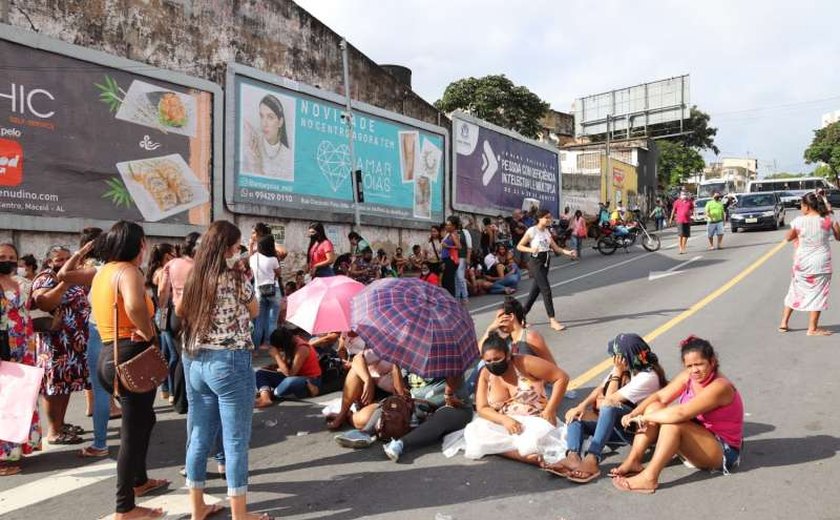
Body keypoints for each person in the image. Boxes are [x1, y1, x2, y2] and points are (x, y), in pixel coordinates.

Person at [177, 220, 263, 520]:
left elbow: (179, 311)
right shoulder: (235, 279)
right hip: (229, 361)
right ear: (228, 249)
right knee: (235, 440)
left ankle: (197, 507)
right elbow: (255, 311)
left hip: (195, 359)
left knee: (199, 435)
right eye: (237, 246)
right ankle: (241, 514)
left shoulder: (194, 277)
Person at [90, 221, 169, 519]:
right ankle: (125, 508)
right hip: (130, 355)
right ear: (139, 245)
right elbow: (136, 306)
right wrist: (148, 331)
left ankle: (140, 481)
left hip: (109, 354)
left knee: (144, 420)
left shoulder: (103, 273)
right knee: (132, 432)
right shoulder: (128, 271)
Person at [612, 336, 744, 494]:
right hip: (697, 436)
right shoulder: (689, 376)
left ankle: (649, 478)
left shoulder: (720, 387)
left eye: (699, 364)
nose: (694, 370)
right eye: (690, 366)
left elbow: (681, 413)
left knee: (673, 424)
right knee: (654, 407)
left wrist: (643, 418)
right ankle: (633, 461)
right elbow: (661, 397)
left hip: (722, 451)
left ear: (712, 361)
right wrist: (635, 412)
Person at [545, 333, 666, 484]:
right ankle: (573, 457)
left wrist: (617, 372)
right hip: (622, 423)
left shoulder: (647, 377)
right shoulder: (627, 367)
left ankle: (592, 458)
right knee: (575, 417)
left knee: (608, 407)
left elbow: (608, 401)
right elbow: (601, 388)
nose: (614, 360)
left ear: (624, 358)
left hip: (639, 430)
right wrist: (580, 406)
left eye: (616, 356)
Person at [55, 230, 122, 459]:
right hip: (123, 334)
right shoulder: (128, 270)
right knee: (127, 389)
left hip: (98, 331)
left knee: (102, 391)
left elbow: (64, 274)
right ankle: (133, 440)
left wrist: (82, 251)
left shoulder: (98, 271)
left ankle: (100, 443)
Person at [462, 333, 568, 465]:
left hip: (536, 420)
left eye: (497, 359)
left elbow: (561, 377)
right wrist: (505, 420)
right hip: (505, 423)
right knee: (475, 430)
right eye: (488, 361)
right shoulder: (485, 373)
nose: (493, 364)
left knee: (534, 439)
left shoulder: (525, 363)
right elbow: (482, 408)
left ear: (507, 355)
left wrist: (550, 410)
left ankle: (526, 453)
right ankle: (522, 456)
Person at [32, 245, 90, 445]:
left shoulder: (72, 275)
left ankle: (61, 424)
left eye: (67, 258)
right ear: (49, 262)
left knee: (64, 386)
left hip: (71, 344)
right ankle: (54, 431)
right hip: (56, 343)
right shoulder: (46, 277)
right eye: (59, 259)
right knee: (55, 388)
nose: (64, 262)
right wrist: (65, 281)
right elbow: (44, 303)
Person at [0, 243, 41, 476]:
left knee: (19, 399)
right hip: (5, 348)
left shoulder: (18, 283)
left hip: (23, 348)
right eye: (2, 256)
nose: (7, 260)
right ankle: (2, 456)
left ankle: (14, 449)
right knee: (3, 402)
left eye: (11, 257)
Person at [778, 192, 840, 336]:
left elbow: (788, 238)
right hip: (821, 264)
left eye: (801, 206)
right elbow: (838, 236)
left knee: (794, 290)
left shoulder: (799, 221)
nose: (801, 208)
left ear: (806, 206)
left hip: (802, 263)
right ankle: (812, 328)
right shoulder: (828, 219)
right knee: (818, 294)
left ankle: (784, 323)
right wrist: (833, 217)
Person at [157, 231, 200, 413]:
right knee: (188, 360)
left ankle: (178, 398)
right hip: (192, 316)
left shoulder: (171, 264)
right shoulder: (198, 267)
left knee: (180, 358)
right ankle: (183, 402)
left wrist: (163, 310)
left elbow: (162, 292)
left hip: (174, 315)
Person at [383, 376, 473, 462]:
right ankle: (370, 433)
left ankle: (400, 444)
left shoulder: (449, 361)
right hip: (418, 404)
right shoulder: (409, 362)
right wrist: (396, 366)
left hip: (452, 407)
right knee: (387, 407)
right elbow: (401, 392)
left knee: (441, 418)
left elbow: (454, 376)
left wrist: (448, 394)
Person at [516, 209, 577, 332]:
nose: (549, 219)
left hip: (545, 262)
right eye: (547, 217)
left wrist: (568, 252)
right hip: (536, 262)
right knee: (546, 290)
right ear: (540, 218)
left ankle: (520, 318)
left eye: (550, 217)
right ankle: (553, 320)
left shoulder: (547, 232)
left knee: (534, 292)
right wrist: (531, 250)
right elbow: (519, 246)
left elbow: (556, 248)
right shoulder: (532, 231)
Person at [326, 347, 401, 430]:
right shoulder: (386, 348)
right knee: (355, 372)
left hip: (389, 399)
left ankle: (349, 416)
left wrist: (396, 369)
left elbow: (401, 396)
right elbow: (357, 358)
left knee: (364, 421)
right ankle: (342, 414)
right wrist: (368, 380)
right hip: (369, 390)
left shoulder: (411, 359)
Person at [254, 327, 321, 407]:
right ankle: (266, 397)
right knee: (260, 373)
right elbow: (285, 366)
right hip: (293, 376)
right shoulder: (290, 344)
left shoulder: (302, 348)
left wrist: (276, 356)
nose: (280, 350)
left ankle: (272, 393)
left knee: (289, 382)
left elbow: (290, 374)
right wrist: (272, 368)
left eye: (280, 348)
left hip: (308, 380)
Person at [145, 243, 176, 401]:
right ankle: (171, 390)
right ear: (167, 256)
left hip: (161, 313)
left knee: (166, 353)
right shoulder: (161, 272)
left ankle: (165, 388)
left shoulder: (155, 271)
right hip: (165, 313)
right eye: (173, 254)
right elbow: (163, 292)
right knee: (174, 354)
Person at [244, 94, 292, 180]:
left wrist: (258, 168)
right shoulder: (253, 146)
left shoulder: (288, 156)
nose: (264, 123)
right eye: (262, 116)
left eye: (270, 117)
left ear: (280, 122)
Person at [249, 234, 282, 349]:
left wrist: (250, 245)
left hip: (258, 291)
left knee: (259, 321)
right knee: (272, 320)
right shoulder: (273, 259)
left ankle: (256, 348)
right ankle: (269, 345)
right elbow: (279, 273)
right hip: (274, 290)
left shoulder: (253, 258)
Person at [439, 219, 461, 297]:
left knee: (448, 281)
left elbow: (459, 247)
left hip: (451, 260)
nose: (447, 226)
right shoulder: (448, 234)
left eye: (449, 225)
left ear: (454, 226)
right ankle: (449, 298)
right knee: (445, 281)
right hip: (446, 259)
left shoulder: (453, 234)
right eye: (447, 225)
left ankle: (452, 298)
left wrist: (447, 246)